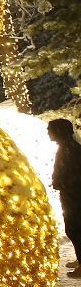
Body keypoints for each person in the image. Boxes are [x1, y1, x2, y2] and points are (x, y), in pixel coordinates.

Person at [50, 118, 81, 278]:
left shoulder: (69, 150)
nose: (48, 132)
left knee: (75, 229)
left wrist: (60, 183)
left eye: (50, 129)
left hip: (74, 197)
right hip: (72, 196)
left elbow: (74, 174)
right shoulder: (68, 147)